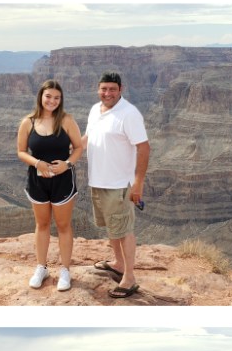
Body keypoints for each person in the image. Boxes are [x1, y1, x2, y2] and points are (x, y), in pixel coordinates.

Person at [83, 71, 150, 299]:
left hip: (120, 184)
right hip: (98, 181)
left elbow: (143, 147)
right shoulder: (95, 110)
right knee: (112, 228)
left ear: (120, 89)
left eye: (112, 89)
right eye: (104, 89)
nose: (107, 93)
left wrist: (138, 183)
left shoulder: (129, 114)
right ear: (98, 89)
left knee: (124, 231)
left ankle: (129, 278)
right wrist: (68, 156)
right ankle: (118, 264)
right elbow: (87, 138)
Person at [17, 79, 84, 291]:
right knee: (42, 224)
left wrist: (67, 164)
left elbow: (78, 147)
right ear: (40, 97)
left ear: (61, 100)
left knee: (63, 226)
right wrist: (37, 162)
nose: (52, 101)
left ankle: (65, 270)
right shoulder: (28, 122)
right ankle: (42, 267)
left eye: (57, 97)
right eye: (48, 96)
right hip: (37, 180)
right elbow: (20, 151)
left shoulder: (66, 120)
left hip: (63, 180)